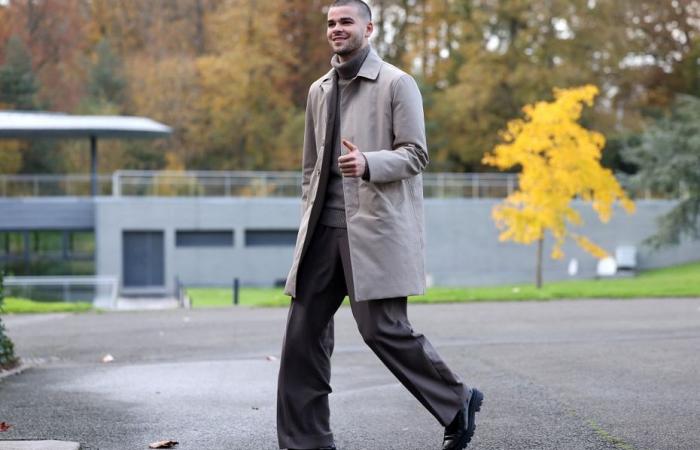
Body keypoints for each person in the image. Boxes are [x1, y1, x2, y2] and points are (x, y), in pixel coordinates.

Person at [277, 1, 483, 449]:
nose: (336, 29)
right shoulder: (318, 90)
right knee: (302, 334)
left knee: (381, 329)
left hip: (373, 228)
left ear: (368, 28)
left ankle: (457, 400)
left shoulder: (397, 83)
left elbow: (416, 154)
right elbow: (311, 167)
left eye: (346, 22)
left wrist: (367, 163)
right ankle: (305, 441)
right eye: (331, 23)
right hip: (321, 232)